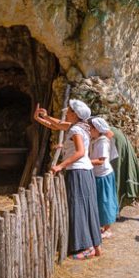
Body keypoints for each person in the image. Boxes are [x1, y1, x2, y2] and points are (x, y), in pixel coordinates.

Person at [34, 99, 102, 260]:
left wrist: (61, 166)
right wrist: (43, 117)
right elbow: (56, 125)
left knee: (78, 207)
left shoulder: (76, 131)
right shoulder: (79, 127)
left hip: (78, 171)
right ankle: (96, 246)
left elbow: (79, 152)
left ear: (75, 114)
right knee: (88, 206)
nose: (67, 112)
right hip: (85, 171)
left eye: (69, 110)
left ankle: (86, 247)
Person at [88, 117, 118, 238]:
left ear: (97, 129)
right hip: (97, 175)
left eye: (90, 128)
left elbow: (101, 160)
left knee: (105, 201)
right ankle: (102, 226)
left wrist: (86, 161)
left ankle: (108, 229)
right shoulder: (95, 140)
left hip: (103, 175)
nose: (89, 130)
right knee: (99, 201)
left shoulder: (102, 142)